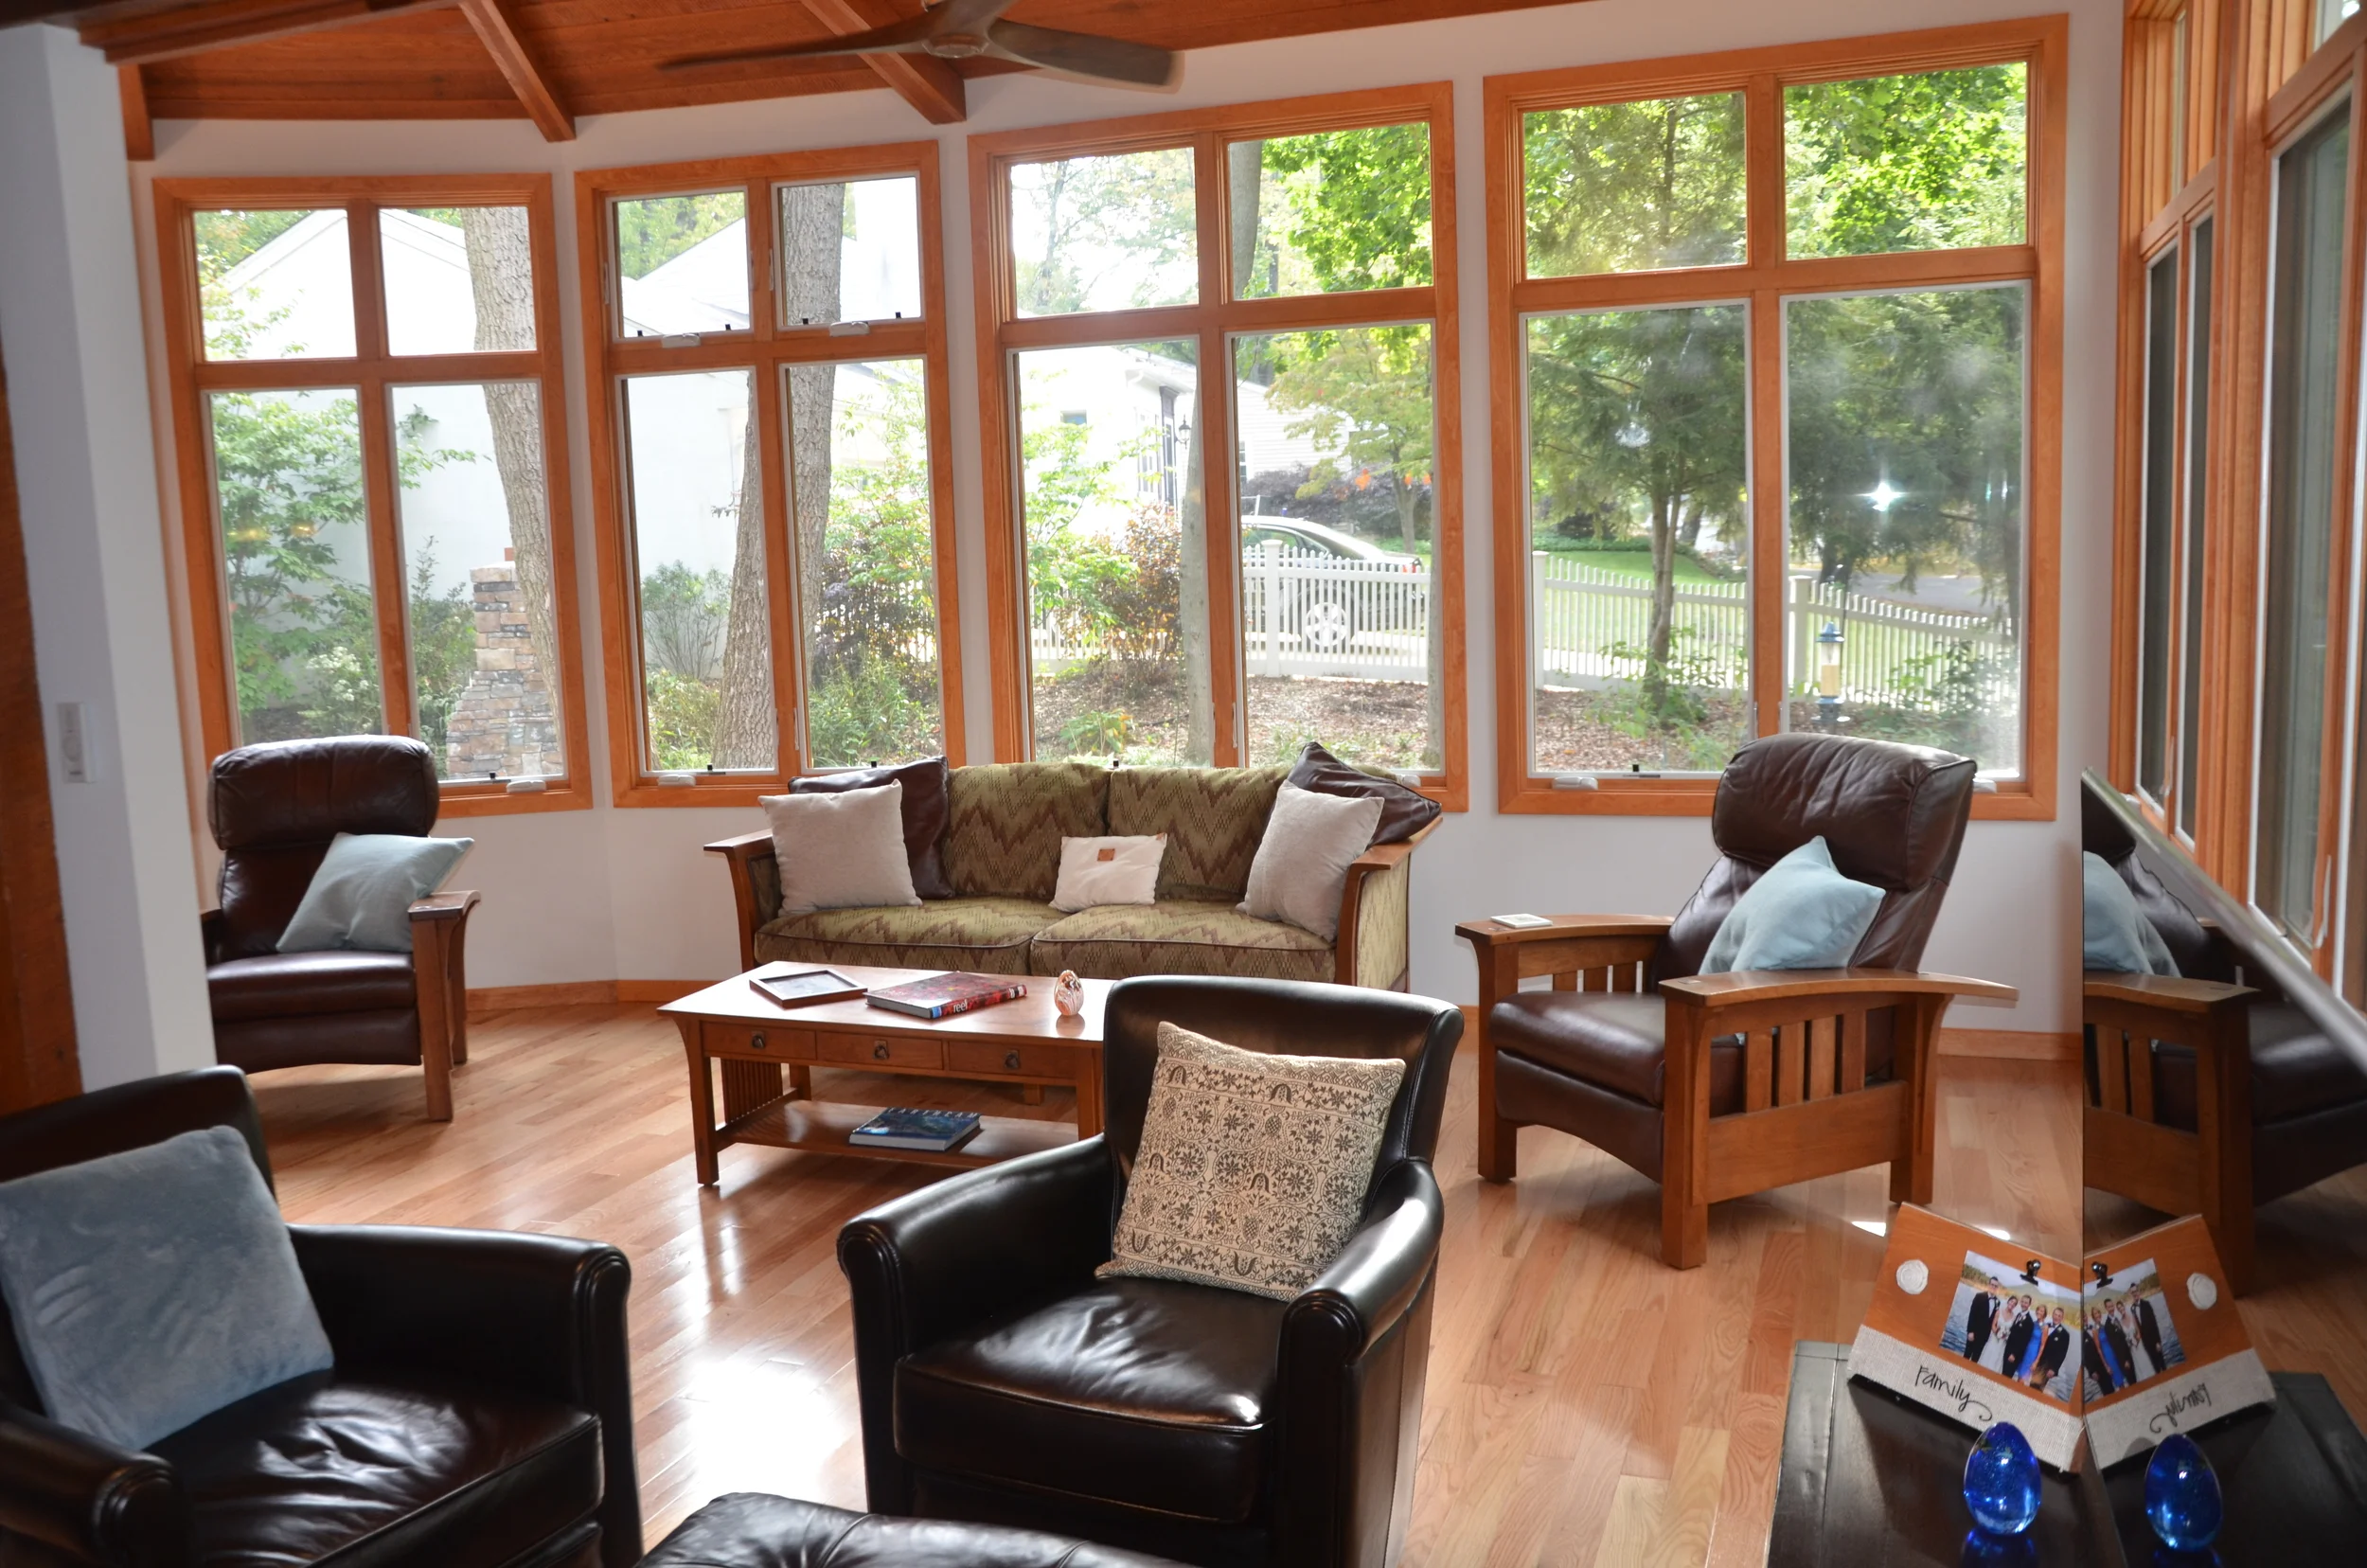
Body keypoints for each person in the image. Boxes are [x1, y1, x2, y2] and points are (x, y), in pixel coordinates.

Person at [2029, 1307, 2073, 1398]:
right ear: (2052, 1315)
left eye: (2059, 1316)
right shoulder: (2045, 1326)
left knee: (2037, 1387)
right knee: (2031, 1384)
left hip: (2048, 1366)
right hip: (2036, 1360)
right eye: (2055, 1315)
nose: (2056, 1317)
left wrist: (2054, 1369)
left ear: (2062, 1318)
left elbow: (2062, 1354)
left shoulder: (2065, 1334)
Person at [2001, 1295, 2038, 1383]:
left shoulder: (2029, 1322)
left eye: (2026, 1302)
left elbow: (2024, 1341)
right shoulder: (2018, 1315)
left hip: (2014, 1355)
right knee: (2002, 1374)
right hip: (2008, 1349)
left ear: (2029, 1304)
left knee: (2007, 1377)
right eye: (2023, 1302)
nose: (2024, 1304)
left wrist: (2014, 1354)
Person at [1978, 1296, 2016, 1375]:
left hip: (2002, 1343)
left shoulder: (2014, 1317)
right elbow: (1993, 1325)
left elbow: (2011, 1331)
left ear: (2015, 1306)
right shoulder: (1999, 1311)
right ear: (2008, 1301)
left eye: (2014, 1304)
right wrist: (1998, 1333)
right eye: (2011, 1301)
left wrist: (2005, 1335)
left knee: (1998, 1359)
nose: (2012, 1304)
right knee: (1989, 1357)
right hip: (1994, 1339)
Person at [1965, 1278, 1999, 1363]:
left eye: (1995, 1286)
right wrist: (1970, 1331)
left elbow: (1995, 1320)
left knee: (1975, 1359)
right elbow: (1972, 1314)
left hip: (1984, 1337)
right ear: (1989, 1284)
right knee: (1966, 1356)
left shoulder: (1998, 1302)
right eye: (1992, 1284)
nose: (1993, 1287)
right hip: (1974, 1333)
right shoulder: (1979, 1296)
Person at [2136, 1292, 2168, 1375]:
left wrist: (2157, 1341)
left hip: (2154, 1340)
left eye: (2136, 1291)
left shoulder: (2147, 1304)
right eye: (2132, 1292)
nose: (2135, 1294)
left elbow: (2154, 1322)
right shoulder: (2133, 1308)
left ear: (2138, 1292)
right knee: (2155, 1367)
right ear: (2131, 1294)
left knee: (2162, 1364)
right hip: (2146, 1343)